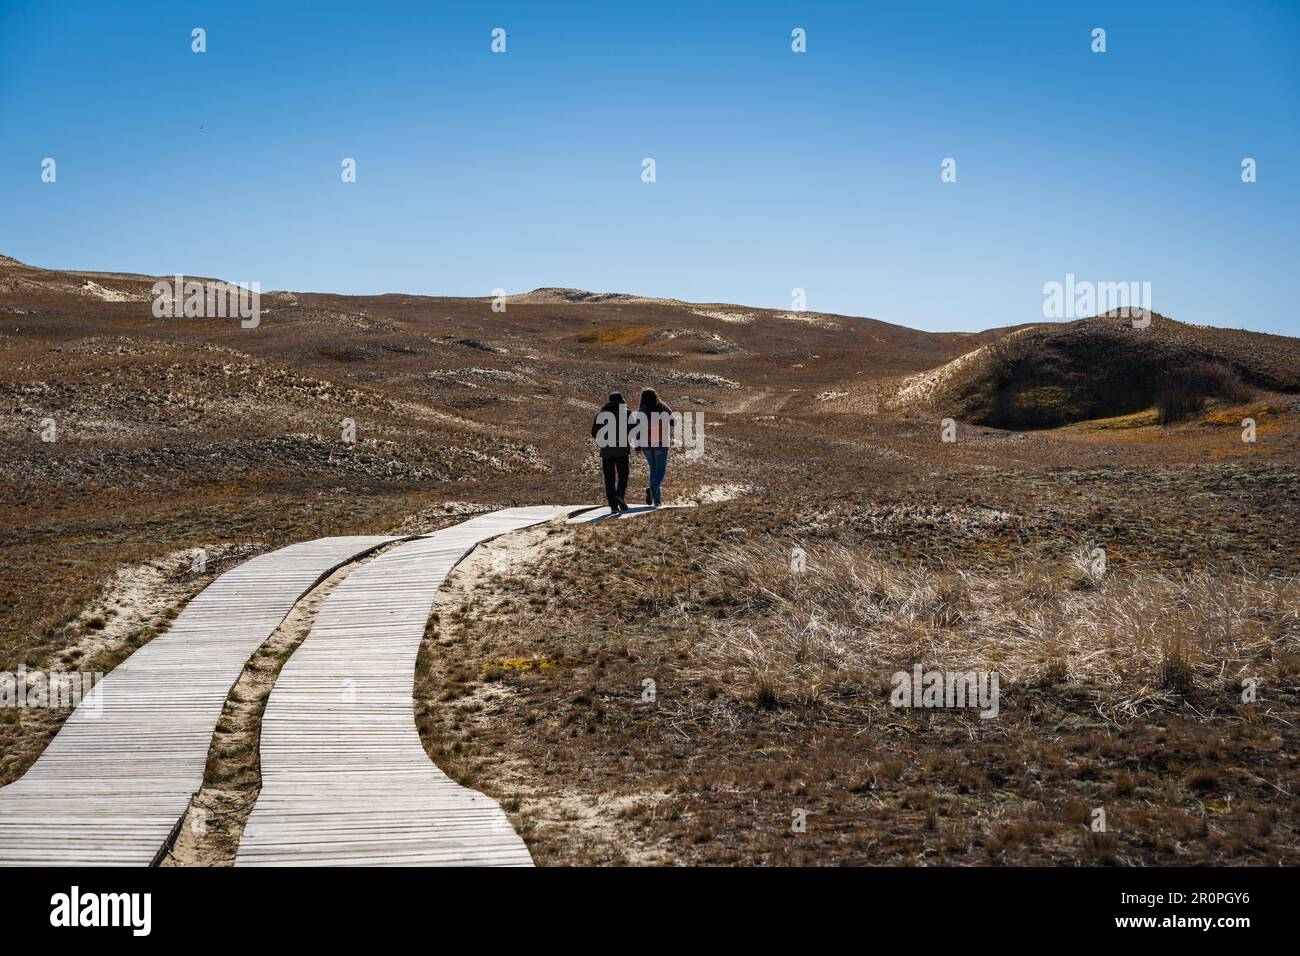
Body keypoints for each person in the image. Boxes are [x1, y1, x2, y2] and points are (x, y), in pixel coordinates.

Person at [591, 392, 631, 514]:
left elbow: (594, 433)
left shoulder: (601, 414)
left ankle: (613, 506)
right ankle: (619, 495)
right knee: (623, 474)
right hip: (622, 450)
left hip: (606, 451)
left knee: (609, 478)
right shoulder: (627, 413)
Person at [636, 387, 672, 506]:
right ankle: (653, 489)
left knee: (653, 469)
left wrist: (637, 444)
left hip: (646, 443)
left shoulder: (642, 410)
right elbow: (673, 422)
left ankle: (656, 500)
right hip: (661, 443)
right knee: (660, 469)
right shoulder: (663, 407)